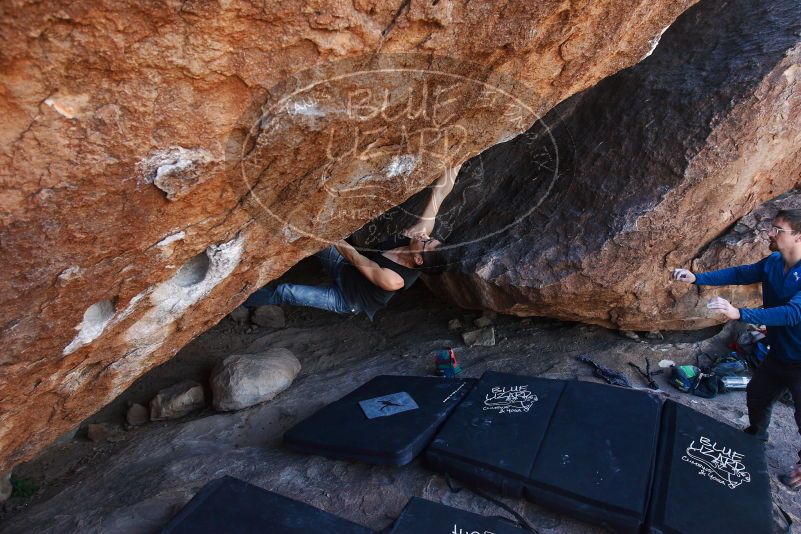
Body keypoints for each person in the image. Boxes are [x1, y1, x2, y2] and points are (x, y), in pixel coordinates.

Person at [671, 209, 801, 490]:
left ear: (799, 236)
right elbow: (743, 272)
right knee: (757, 395)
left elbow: (793, 313)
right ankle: (755, 438)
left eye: (778, 230)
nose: (770, 234)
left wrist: (740, 313)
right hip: (779, 352)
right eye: (772, 228)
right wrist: (697, 278)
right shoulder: (775, 262)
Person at [243, 163, 461, 320]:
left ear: (418, 259)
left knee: (286, 291)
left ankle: (242, 302)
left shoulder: (393, 280)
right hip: (346, 268)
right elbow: (439, 195)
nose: (425, 236)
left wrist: (326, 232)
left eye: (425, 243)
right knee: (307, 235)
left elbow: (354, 256)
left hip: (347, 298)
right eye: (430, 238)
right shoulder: (417, 235)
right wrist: (460, 158)